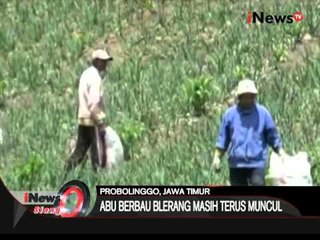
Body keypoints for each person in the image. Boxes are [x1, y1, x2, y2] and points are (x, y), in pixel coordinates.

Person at [212, 79, 287, 186]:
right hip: (236, 163)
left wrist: (280, 151)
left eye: (250, 96)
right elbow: (223, 139)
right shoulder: (230, 115)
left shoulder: (263, 114)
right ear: (239, 97)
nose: (248, 99)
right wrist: (217, 157)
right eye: (245, 96)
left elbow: (272, 135)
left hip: (256, 162)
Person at [65, 49, 113, 171]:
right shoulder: (95, 78)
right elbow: (93, 104)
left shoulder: (86, 74)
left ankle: (65, 174)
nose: (105, 64)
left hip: (83, 119)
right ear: (96, 61)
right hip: (93, 121)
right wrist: (100, 122)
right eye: (103, 61)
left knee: (79, 153)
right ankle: (99, 180)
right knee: (98, 153)